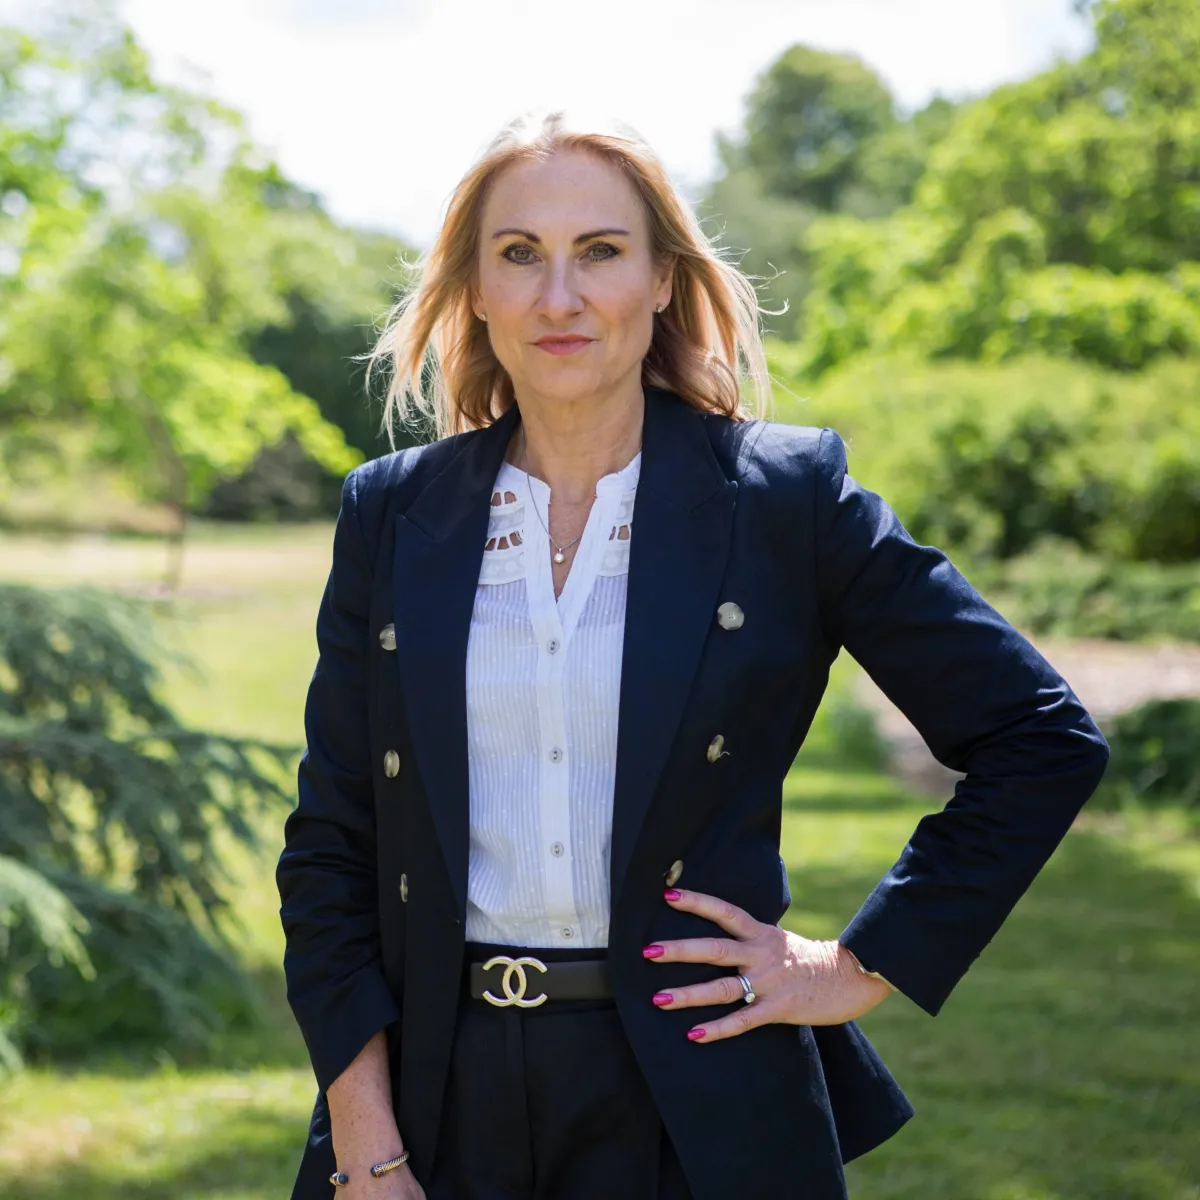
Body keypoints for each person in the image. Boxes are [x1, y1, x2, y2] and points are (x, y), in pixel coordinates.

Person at [275, 108, 1110, 1200]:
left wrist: (860, 965)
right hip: (435, 1105)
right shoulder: (392, 515)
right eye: (519, 255)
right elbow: (333, 845)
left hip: (699, 1095)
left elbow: (1038, 735)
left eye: (602, 253)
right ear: (475, 288)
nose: (560, 296)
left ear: (665, 279)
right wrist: (365, 1141)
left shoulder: (784, 500)